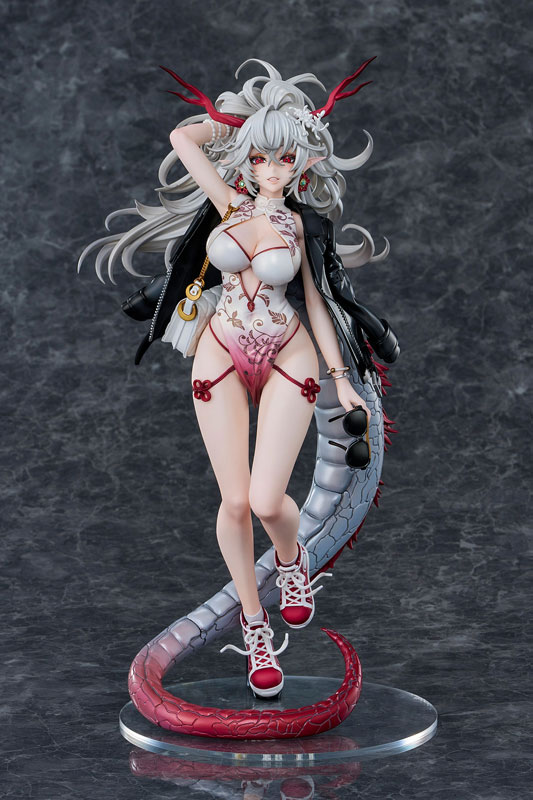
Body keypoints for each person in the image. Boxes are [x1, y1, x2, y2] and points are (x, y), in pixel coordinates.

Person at [78, 57, 399, 702]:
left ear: (302, 164)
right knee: (232, 503)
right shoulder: (227, 203)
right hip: (220, 351)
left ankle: (291, 561)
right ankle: (255, 628)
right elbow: (182, 138)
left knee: (267, 501)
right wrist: (241, 120)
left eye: (284, 158)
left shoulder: (304, 226)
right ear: (247, 161)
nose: (271, 169)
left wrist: (340, 376)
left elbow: (319, 302)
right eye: (260, 157)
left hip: (288, 352)